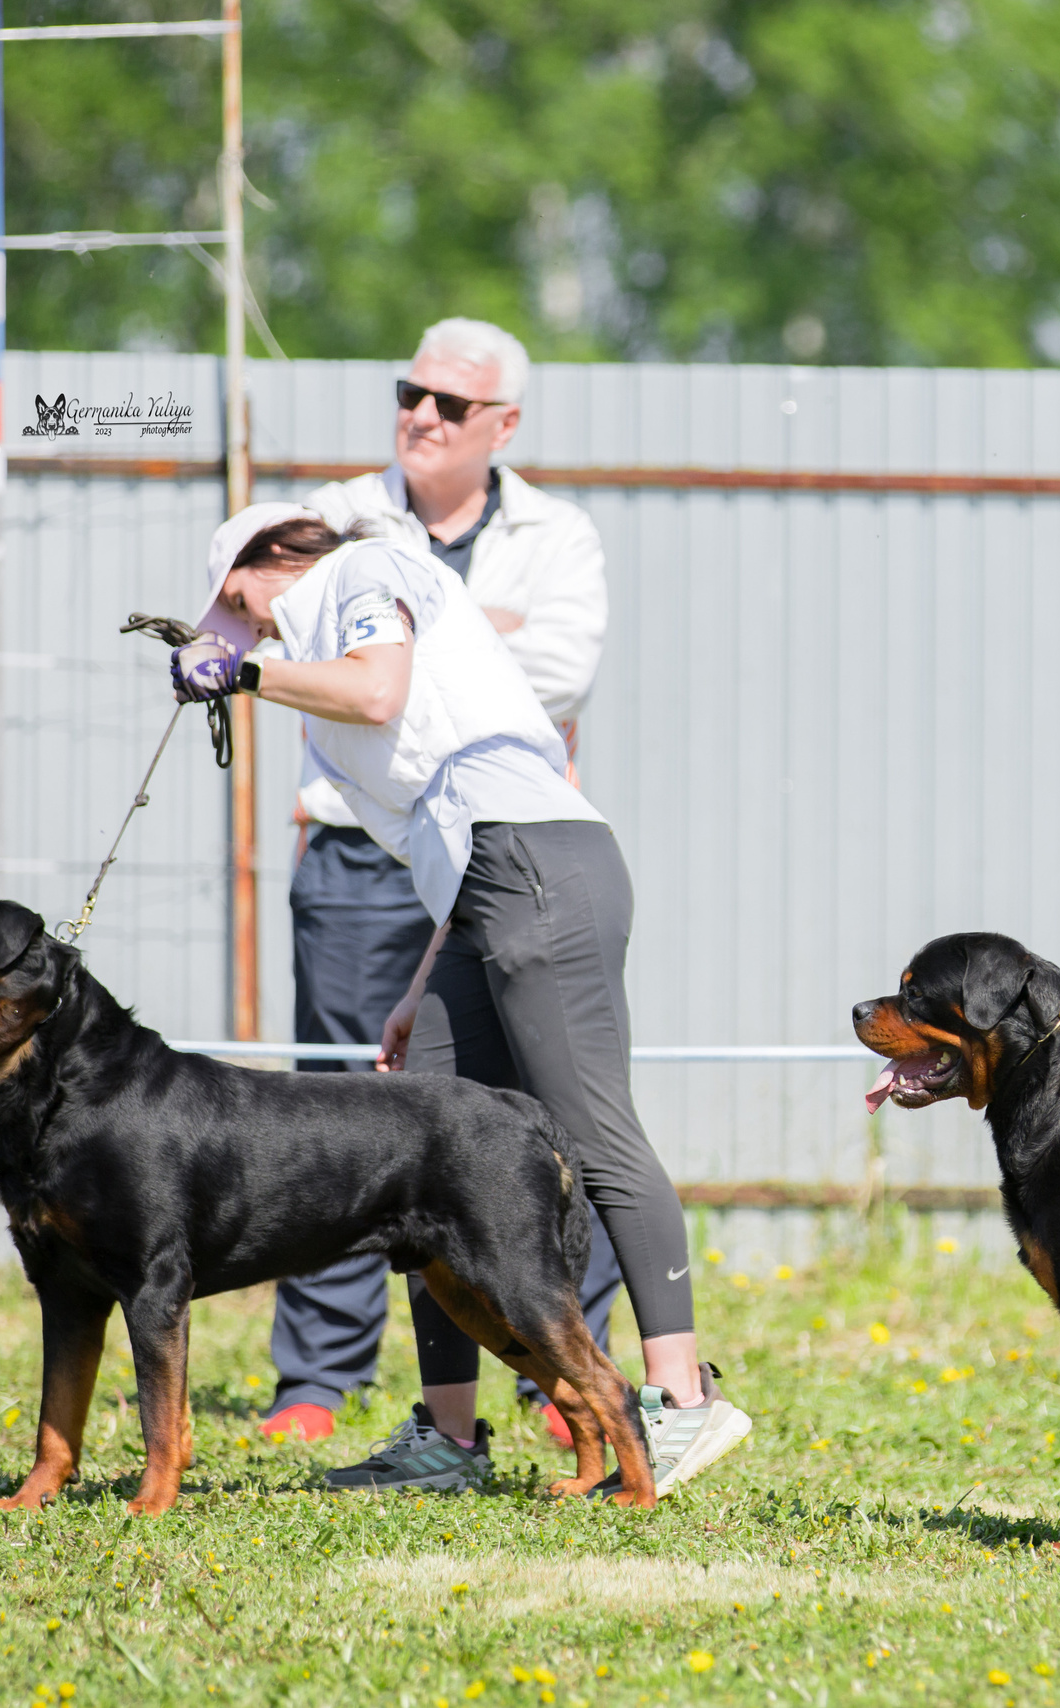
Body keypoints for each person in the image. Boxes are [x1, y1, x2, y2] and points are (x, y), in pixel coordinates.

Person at [173, 502, 751, 1498]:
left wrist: (246, 669)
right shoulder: (327, 616)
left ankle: (682, 1399)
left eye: (240, 598)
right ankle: (449, 1437)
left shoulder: (354, 574)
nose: (247, 621)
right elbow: (448, 818)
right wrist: (418, 985)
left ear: (275, 560)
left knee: (594, 1130)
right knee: (420, 1150)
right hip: (485, 880)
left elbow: (377, 691)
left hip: (536, 859)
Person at [262, 317, 623, 1447]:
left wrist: (403, 653)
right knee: (336, 1113)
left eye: (450, 404)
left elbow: (566, 668)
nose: (421, 414)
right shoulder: (333, 511)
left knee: (549, 1122)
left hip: (500, 857)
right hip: (359, 856)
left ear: (503, 424)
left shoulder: (558, 534)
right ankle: (317, 1383)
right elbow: (287, 632)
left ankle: (565, 1377)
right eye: (408, 390)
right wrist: (463, 636)